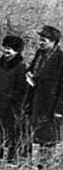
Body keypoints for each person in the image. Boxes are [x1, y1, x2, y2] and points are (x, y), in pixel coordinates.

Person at [0, 34, 34, 160]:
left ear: (17, 51)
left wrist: (14, 105)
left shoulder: (21, 66)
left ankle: (13, 159)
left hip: (12, 107)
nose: (6, 51)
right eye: (5, 47)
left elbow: (22, 90)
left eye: (10, 49)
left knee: (13, 134)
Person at [31, 26, 63, 162]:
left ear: (53, 42)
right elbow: (33, 70)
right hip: (36, 102)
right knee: (36, 137)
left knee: (48, 140)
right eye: (40, 39)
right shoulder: (39, 54)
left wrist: (59, 110)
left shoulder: (60, 59)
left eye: (43, 40)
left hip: (51, 106)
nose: (40, 43)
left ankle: (45, 168)